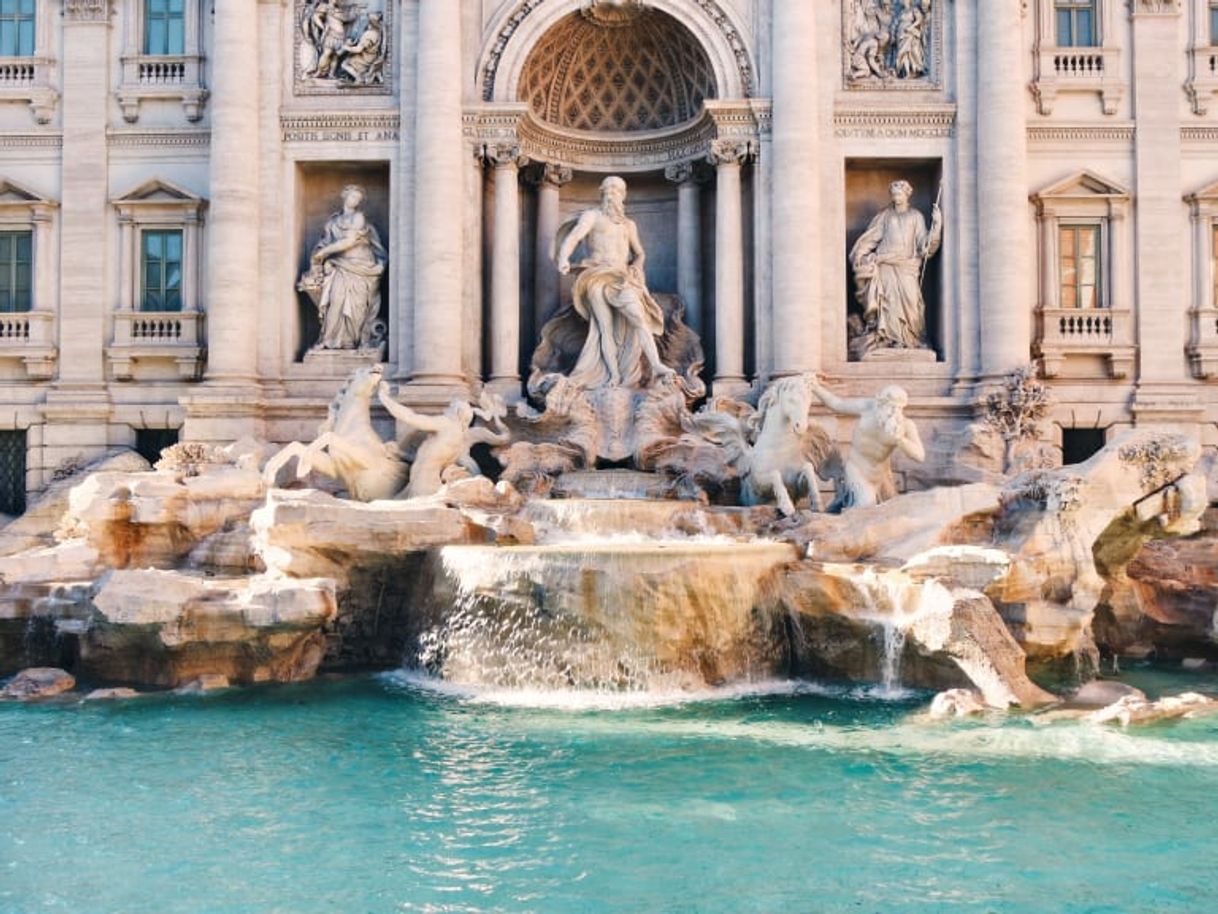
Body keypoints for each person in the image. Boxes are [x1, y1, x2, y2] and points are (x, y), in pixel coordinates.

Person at [552, 176, 675, 389]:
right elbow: (573, 237)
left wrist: (637, 266)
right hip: (596, 276)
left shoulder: (629, 225)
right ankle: (613, 376)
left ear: (623, 196)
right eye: (608, 190)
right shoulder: (592, 216)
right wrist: (564, 257)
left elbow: (640, 253)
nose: (611, 193)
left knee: (639, 318)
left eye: (616, 190)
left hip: (622, 278)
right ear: (602, 194)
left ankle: (656, 365)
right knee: (604, 329)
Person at [806, 376, 925, 512]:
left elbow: (919, 456)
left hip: (882, 476)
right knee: (865, 506)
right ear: (880, 402)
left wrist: (900, 440)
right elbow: (837, 404)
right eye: (887, 406)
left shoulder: (905, 425)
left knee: (887, 513)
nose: (892, 412)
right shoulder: (867, 407)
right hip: (857, 469)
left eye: (896, 408)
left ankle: (833, 513)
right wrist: (816, 388)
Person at [849, 179, 942, 352]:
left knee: (911, 302)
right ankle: (891, 340)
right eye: (893, 194)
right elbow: (871, 237)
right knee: (888, 302)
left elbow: (924, 245)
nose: (895, 197)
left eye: (899, 193)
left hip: (907, 266)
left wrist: (936, 226)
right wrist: (861, 255)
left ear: (907, 194)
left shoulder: (916, 217)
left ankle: (910, 339)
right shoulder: (885, 216)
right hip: (886, 264)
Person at [301, 185, 386, 351]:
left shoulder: (358, 217)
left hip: (361, 267)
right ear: (345, 196)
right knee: (336, 301)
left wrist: (324, 253)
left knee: (357, 306)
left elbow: (349, 242)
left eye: (358, 199)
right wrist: (321, 256)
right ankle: (329, 340)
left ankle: (350, 342)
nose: (355, 201)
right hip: (340, 266)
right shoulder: (333, 221)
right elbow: (324, 243)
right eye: (353, 197)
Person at [340, 12, 385, 85]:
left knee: (344, 64)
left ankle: (358, 78)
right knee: (349, 57)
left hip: (366, 58)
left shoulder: (369, 34)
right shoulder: (377, 32)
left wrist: (346, 47)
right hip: (372, 55)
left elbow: (359, 49)